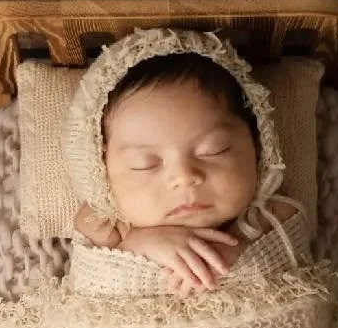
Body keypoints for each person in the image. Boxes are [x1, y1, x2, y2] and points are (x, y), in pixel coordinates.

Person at [73, 52, 299, 297]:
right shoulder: (111, 227)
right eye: (145, 164)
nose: (184, 176)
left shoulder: (266, 214)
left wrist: (235, 248)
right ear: (102, 172)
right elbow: (93, 281)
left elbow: (289, 223)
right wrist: (141, 243)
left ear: (258, 147)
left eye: (214, 150)